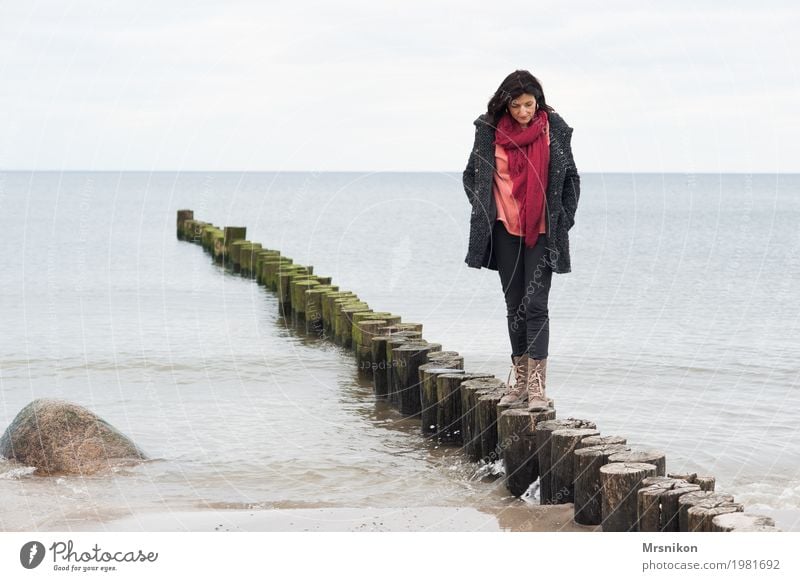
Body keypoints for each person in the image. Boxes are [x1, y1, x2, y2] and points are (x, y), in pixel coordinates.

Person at [462, 69, 580, 412]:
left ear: (537, 102)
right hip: (503, 231)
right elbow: (472, 175)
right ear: (506, 104)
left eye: (529, 104)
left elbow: (571, 180)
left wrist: (562, 220)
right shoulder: (489, 132)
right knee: (515, 307)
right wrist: (486, 208)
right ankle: (520, 382)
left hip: (542, 232)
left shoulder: (553, 131)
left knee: (536, 306)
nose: (524, 112)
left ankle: (538, 388)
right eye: (516, 105)